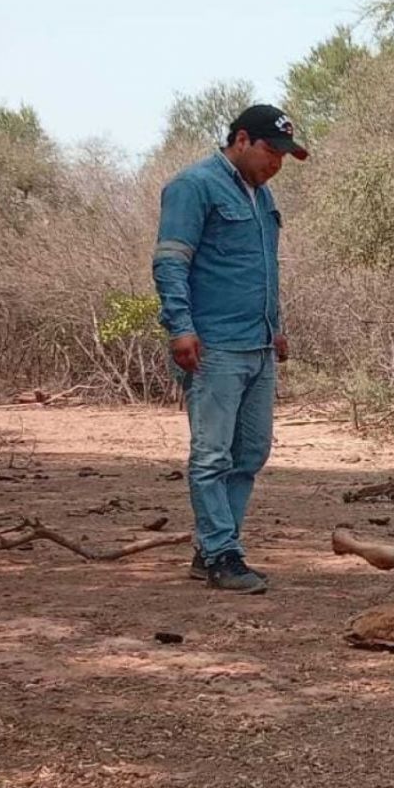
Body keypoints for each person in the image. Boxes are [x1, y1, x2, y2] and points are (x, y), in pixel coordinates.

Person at [152, 105, 308, 595]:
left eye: (284, 155)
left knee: (251, 452)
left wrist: (275, 327)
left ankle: (215, 547)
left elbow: (264, 270)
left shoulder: (263, 198)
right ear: (241, 139)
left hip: (258, 345)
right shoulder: (193, 186)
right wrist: (181, 328)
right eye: (271, 151)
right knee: (212, 454)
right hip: (214, 345)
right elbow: (170, 262)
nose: (276, 163)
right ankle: (222, 552)